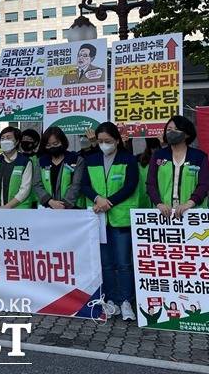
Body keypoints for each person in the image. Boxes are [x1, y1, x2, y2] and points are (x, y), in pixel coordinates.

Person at [81, 121, 139, 321]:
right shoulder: (91, 159)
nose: (104, 144)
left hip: (120, 218)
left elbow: (130, 185)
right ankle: (111, 300)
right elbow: (84, 184)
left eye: (108, 141)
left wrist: (110, 202)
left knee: (123, 262)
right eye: (100, 141)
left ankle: (126, 301)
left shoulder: (128, 159)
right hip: (98, 218)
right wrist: (98, 199)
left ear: (116, 140)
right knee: (105, 263)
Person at [146, 115, 209, 219]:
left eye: (176, 129)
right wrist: (159, 204)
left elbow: (204, 185)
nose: (171, 132)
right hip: (164, 213)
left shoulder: (199, 157)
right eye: (169, 129)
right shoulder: (158, 156)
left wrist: (189, 203)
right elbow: (150, 184)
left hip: (192, 213)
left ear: (187, 134)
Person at [32, 126, 85, 209]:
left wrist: (64, 204)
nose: (52, 147)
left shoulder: (76, 159)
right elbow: (37, 184)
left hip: (72, 209)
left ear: (63, 142)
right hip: (47, 207)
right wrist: (50, 201)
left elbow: (76, 184)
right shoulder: (41, 161)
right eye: (48, 145)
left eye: (55, 144)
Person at [0, 127, 33, 208]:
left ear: (16, 142)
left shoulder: (25, 161)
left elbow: (25, 189)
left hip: (17, 210)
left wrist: (7, 207)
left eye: (8, 138)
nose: (5, 140)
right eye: (2, 138)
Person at [136, 138, 162, 208]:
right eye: (153, 148)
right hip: (143, 203)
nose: (154, 150)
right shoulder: (138, 160)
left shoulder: (166, 159)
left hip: (162, 205)